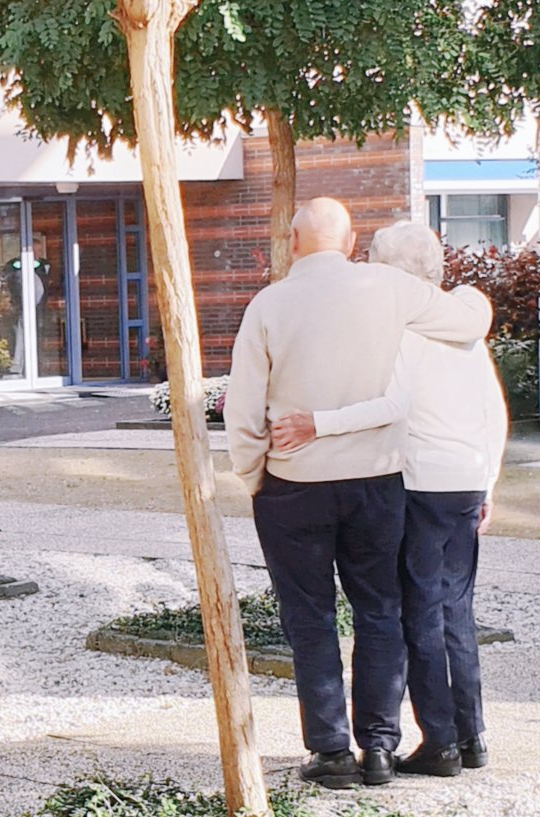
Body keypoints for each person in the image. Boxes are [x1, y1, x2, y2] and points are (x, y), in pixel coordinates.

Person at [224, 197, 493, 790]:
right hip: (377, 483)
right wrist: (473, 292)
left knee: (311, 618)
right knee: (381, 612)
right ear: (350, 244)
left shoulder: (267, 304)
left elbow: (241, 410)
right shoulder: (387, 289)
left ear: (293, 242)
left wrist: (253, 474)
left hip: (294, 485)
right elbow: (470, 323)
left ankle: (331, 751)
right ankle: (378, 747)